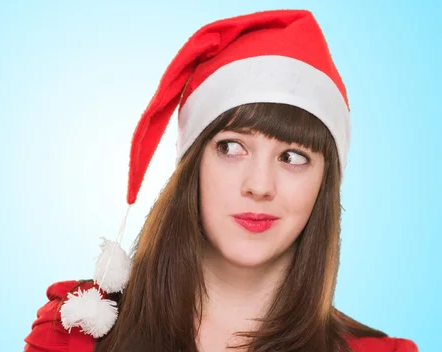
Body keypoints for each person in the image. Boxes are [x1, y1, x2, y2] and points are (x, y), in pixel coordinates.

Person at [23, 9, 418, 352]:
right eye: (231, 148)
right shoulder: (74, 335)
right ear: (193, 163)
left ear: (324, 185)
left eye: (293, 157)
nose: (260, 185)